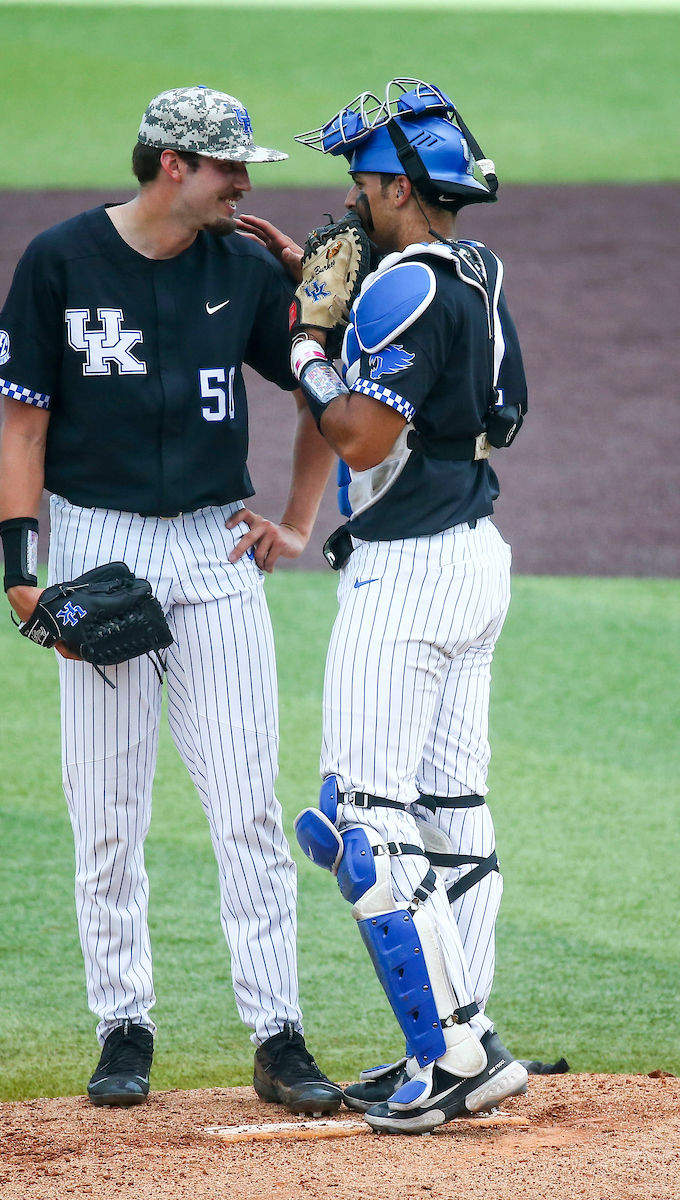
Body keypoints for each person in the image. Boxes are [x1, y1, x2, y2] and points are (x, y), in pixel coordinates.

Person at [0, 85, 340, 1113]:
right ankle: (121, 1024)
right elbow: (23, 430)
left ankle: (276, 1033)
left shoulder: (241, 266)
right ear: (173, 164)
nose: (245, 183)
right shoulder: (60, 261)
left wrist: (297, 516)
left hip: (217, 543)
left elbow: (321, 392)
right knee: (106, 811)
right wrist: (20, 572)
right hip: (96, 542)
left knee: (247, 808)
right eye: (230, 166)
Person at [287, 78, 530, 1133]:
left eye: (357, 183)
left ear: (394, 184)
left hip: (408, 572)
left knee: (363, 820)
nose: (347, 205)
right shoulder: (476, 270)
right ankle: (473, 1035)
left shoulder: (398, 291)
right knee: (451, 817)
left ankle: (445, 1060)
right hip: (475, 554)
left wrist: (304, 338)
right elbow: (502, 412)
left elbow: (359, 439)